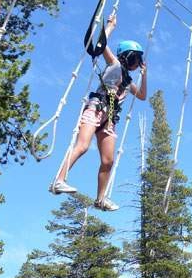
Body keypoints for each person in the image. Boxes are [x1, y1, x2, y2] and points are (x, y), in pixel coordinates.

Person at [49, 15, 147, 211]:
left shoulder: (129, 83)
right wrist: (110, 27)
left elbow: (143, 96)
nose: (138, 62)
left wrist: (145, 75)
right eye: (136, 58)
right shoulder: (115, 65)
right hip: (96, 108)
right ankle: (59, 180)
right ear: (127, 56)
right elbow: (101, 47)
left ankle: (100, 199)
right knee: (83, 146)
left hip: (109, 119)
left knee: (108, 161)